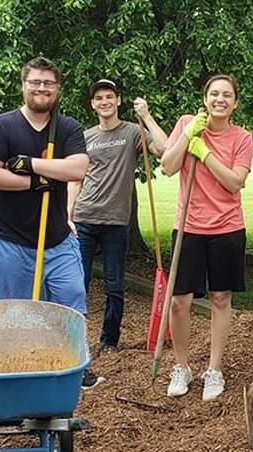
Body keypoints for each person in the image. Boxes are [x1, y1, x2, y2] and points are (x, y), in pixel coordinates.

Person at [0, 57, 101, 387]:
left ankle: (74, 364)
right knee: (12, 310)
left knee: (72, 297)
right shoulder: (2, 126)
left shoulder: (67, 127)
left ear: (57, 89)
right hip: (11, 239)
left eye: (48, 83)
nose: (42, 88)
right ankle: (13, 369)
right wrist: (35, 183)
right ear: (23, 86)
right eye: (35, 82)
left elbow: (76, 169)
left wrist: (28, 164)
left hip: (57, 238)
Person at [159, 74, 253, 402]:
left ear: (235, 103)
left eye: (227, 95)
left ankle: (214, 370)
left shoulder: (242, 137)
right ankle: (182, 367)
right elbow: (168, 167)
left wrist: (205, 152)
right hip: (188, 228)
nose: (220, 99)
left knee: (220, 298)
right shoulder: (188, 123)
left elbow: (234, 182)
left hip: (227, 227)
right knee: (179, 300)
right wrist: (187, 136)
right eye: (214, 94)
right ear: (205, 98)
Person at [67, 79, 168, 354]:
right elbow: (75, 178)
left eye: (109, 96)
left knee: (114, 285)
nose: (105, 102)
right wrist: (68, 213)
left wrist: (146, 116)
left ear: (118, 100)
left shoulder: (133, 132)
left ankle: (109, 341)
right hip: (85, 218)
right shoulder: (85, 137)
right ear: (92, 104)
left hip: (116, 221)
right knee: (78, 284)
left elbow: (166, 150)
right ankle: (76, 342)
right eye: (99, 98)